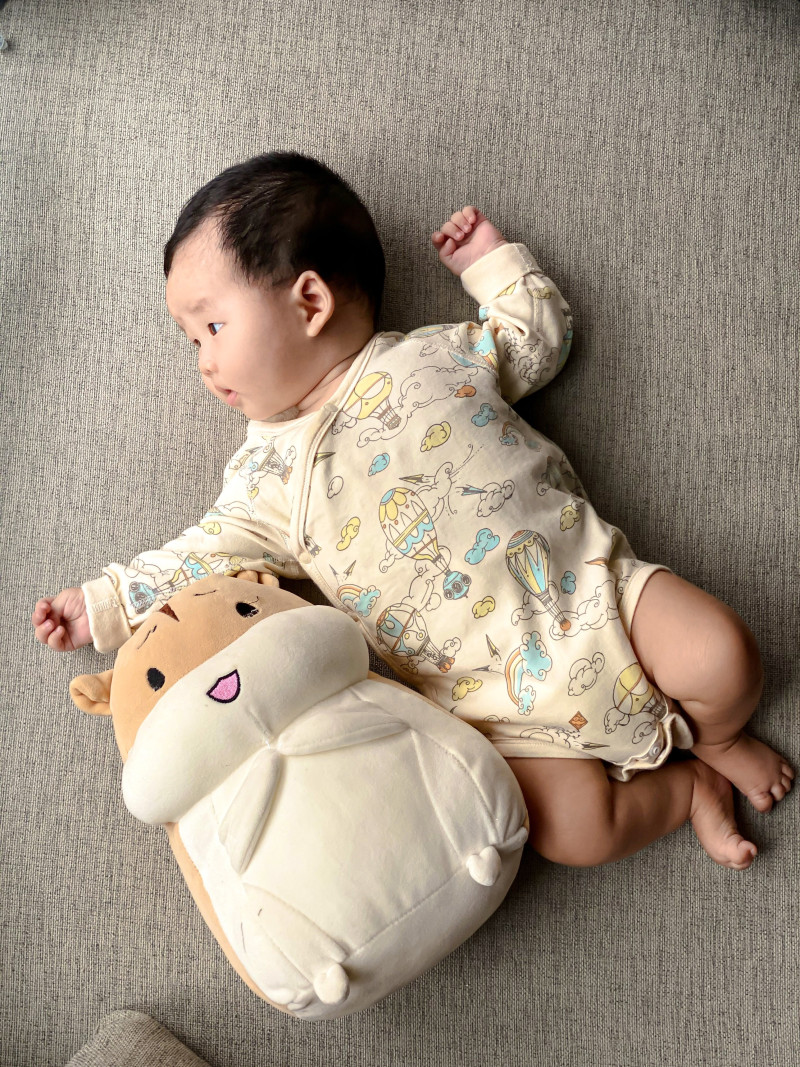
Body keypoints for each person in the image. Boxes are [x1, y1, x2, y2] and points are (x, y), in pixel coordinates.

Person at [32, 150, 793, 870]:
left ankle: (719, 738)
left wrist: (491, 264)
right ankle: (688, 789)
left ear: (310, 301)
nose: (202, 360)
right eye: (190, 339)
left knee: (725, 656)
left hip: (590, 592)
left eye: (212, 326)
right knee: (571, 831)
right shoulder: (265, 479)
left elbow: (533, 340)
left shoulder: (435, 356)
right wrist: (104, 604)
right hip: (496, 707)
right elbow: (198, 561)